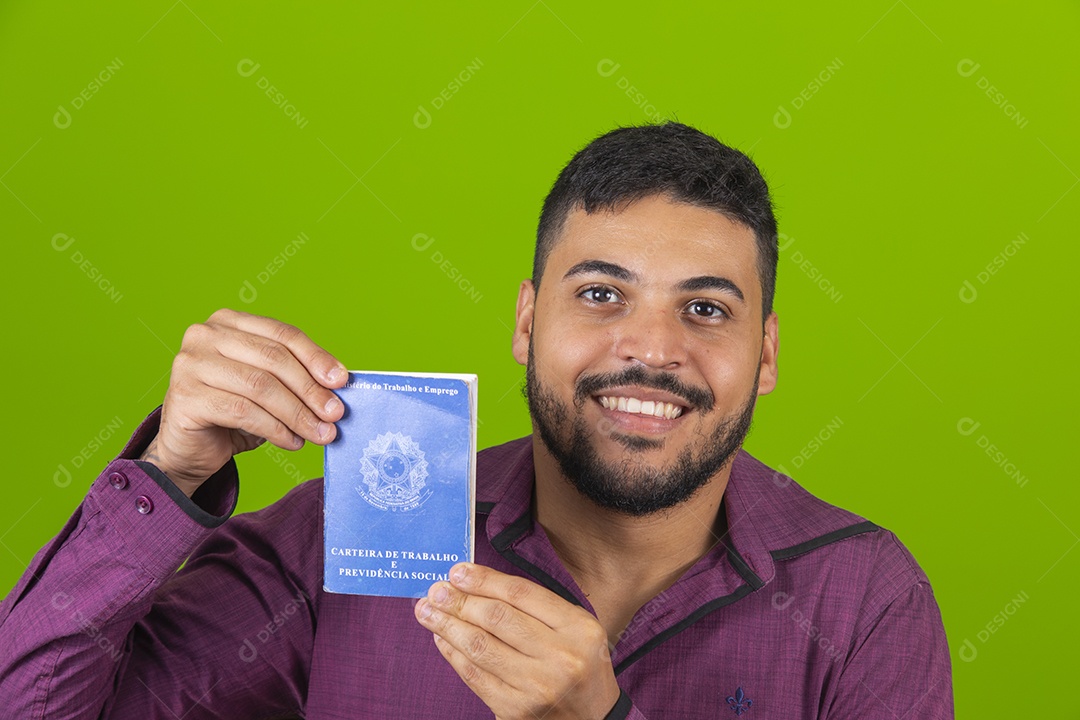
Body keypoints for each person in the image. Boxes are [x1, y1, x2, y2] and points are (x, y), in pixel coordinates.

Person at [0, 121, 953, 718]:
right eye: (601, 294)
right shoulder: (348, 542)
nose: (653, 350)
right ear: (528, 323)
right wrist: (170, 472)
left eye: (706, 309)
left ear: (768, 354)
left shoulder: (863, 599)